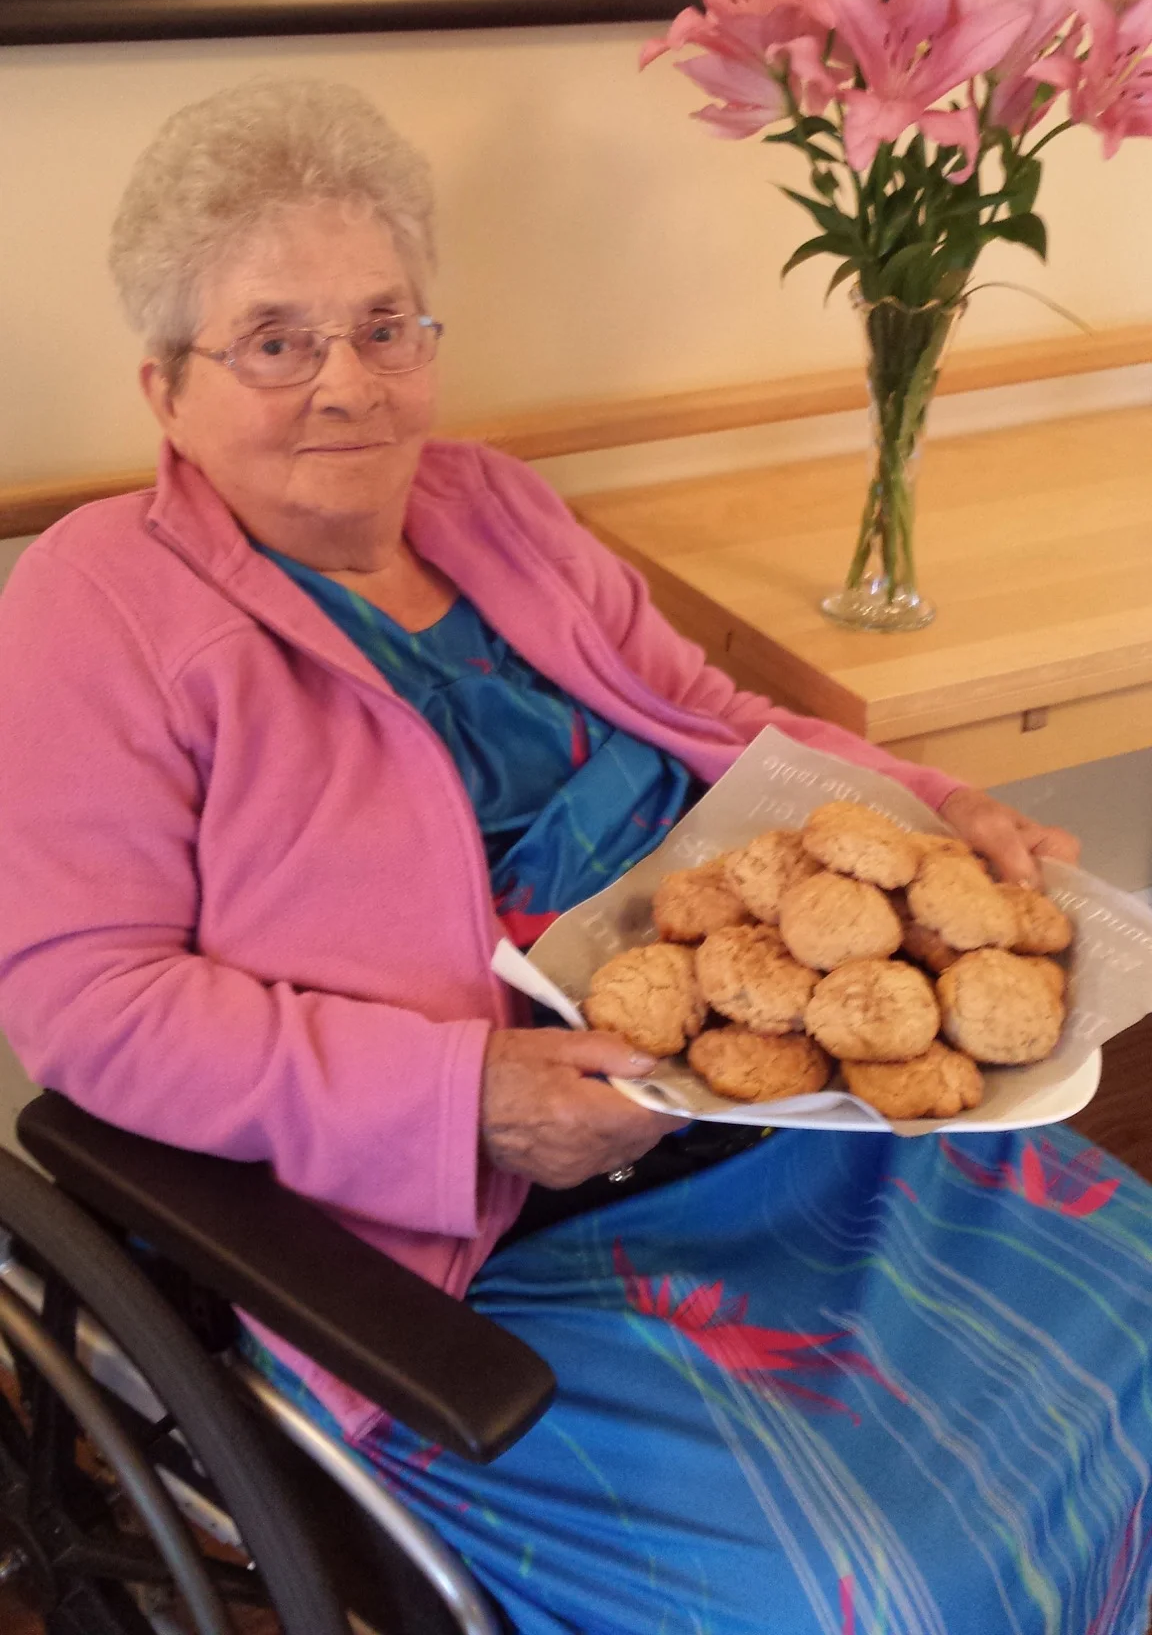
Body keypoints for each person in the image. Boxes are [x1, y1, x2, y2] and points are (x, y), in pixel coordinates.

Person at [0, 80, 1148, 1635]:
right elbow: (89, 1003)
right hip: (471, 1229)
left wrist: (944, 810)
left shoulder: (494, 510)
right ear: (166, 388)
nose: (346, 383)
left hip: (777, 1106)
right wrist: (466, 1096)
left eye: (388, 326)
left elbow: (718, 719)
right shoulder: (95, 610)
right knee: (879, 1599)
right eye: (275, 340)